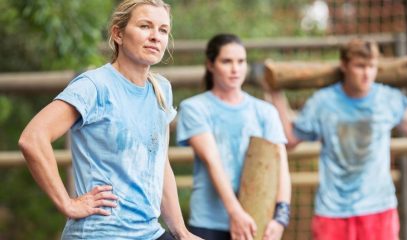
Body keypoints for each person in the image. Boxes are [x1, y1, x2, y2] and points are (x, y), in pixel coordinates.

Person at [18, 1, 201, 239]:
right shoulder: (95, 86)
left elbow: (160, 163)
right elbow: (33, 138)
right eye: (145, 26)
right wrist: (68, 204)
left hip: (149, 232)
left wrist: (181, 231)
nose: (156, 36)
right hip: (100, 233)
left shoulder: (161, 89)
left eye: (163, 30)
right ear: (118, 34)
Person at [268, 38, 407, 240]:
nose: (367, 73)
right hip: (333, 210)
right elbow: (290, 140)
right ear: (344, 66)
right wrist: (276, 92)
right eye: (360, 66)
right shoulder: (323, 103)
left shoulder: (388, 99)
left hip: (378, 207)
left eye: (372, 66)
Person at [176, 33, 292, 240]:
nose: (235, 68)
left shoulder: (265, 111)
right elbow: (213, 161)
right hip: (208, 223)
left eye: (241, 61)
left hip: (257, 220)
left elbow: (280, 163)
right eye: (226, 61)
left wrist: (280, 217)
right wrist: (235, 213)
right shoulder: (194, 108)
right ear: (210, 65)